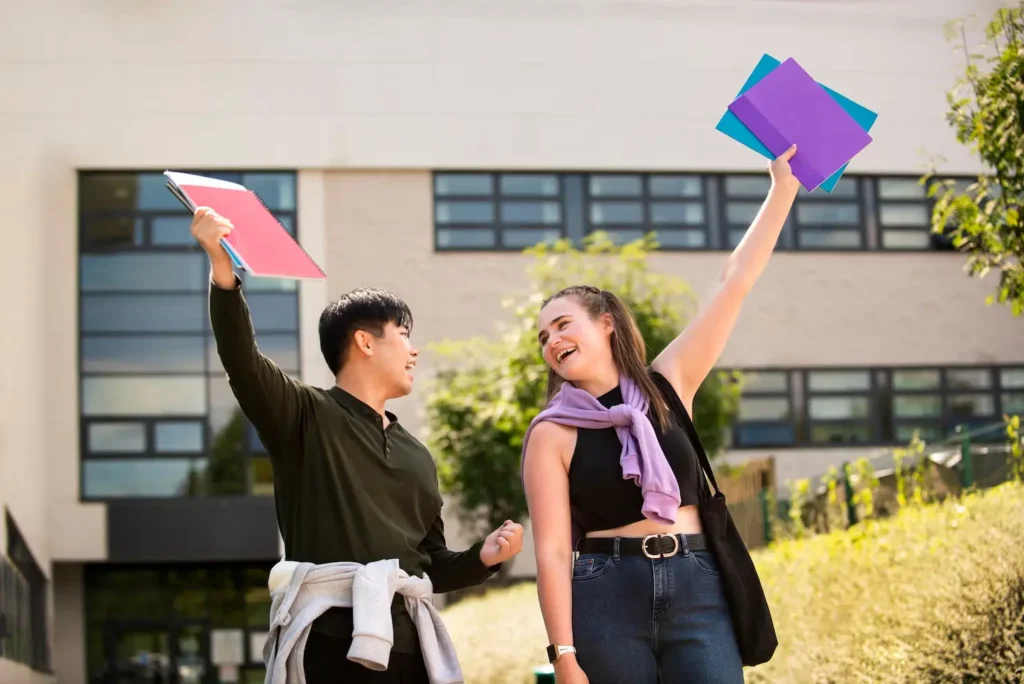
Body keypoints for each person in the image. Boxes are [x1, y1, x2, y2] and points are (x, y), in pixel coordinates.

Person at [191, 208, 525, 683]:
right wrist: (222, 273)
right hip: (328, 646)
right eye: (404, 336)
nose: (414, 351)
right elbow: (242, 361)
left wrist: (483, 558)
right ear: (365, 343)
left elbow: (428, 564)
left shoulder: (417, 453)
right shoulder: (303, 416)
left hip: (411, 649)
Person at [521, 146, 800, 684]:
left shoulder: (667, 383)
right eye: (543, 337)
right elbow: (554, 551)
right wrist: (564, 655)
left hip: (698, 579)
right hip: (606, 592)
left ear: (605, 323)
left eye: (561, 324)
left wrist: (781, 188)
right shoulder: (551, 433)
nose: (552, 341)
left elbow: (732, 283)